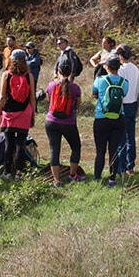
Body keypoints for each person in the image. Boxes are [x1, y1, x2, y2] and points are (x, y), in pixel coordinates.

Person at [0, 49, 36, 180]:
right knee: (21, 143)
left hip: (9, 113)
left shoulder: (6, 75)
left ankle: (7, 172)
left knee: (9, 143)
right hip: (24, 112)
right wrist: (33, 115)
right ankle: (20, 172)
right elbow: (32, 98)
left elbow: (2, 96)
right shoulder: (29, 76)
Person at [45, 58, 84, 186]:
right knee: (76, 147)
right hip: (68, 123)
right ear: (71, 72)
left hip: (51, 122)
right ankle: (72, 175)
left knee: (54, 150)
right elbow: (77, 106)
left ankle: (56, 180)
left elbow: (50, 99)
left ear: (58, 70)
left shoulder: (51, 85)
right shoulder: (75, 88)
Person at [92, 55, 128, 186]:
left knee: (100, 150)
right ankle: (112, 178)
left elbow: (94, 93)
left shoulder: (100, 80)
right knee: (114, 150)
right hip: (118, 118)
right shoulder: (124, 82)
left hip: (101, 118)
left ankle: (97, 177)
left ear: (107, 66)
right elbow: (124, 94)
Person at [116, 44, 139, 174]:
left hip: (123, 105)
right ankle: (131, 165)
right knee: (131, 136)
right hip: (133, 104)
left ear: (120, 55)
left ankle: (121, 167)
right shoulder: (135, 68)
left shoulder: (121, 69)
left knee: (121, 138)